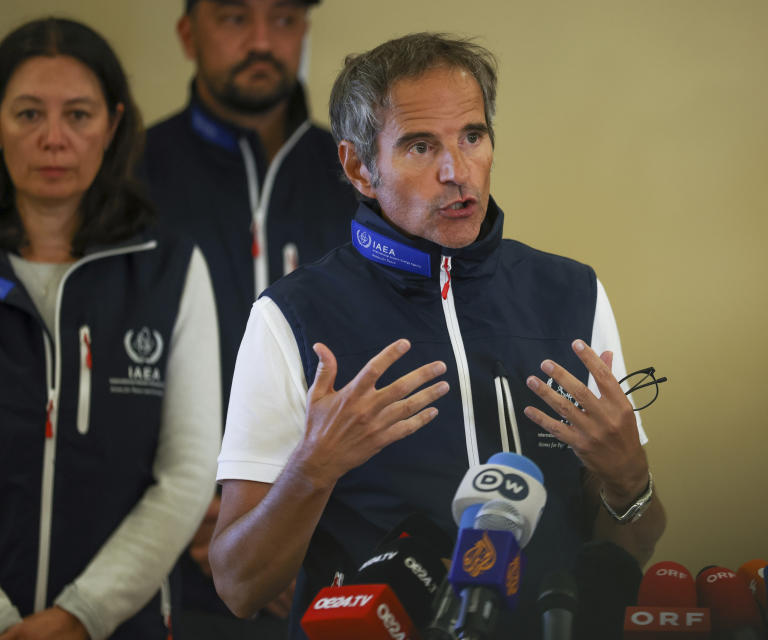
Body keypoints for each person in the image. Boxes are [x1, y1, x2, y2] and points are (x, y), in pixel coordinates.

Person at [210, 32, 667, 638]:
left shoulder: (573, 294)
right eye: (421, 146)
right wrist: (312, 470)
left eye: (472, 137)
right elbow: (240, 587)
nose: (457, 172)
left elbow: (630, 549)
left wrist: (629, 479)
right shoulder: (290, 316)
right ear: (358, 168)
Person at [139, 0, 356, 635]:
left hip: (341, 558)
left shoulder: (360, 175)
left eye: (284, 19)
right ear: (188, 32)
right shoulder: (131, 176)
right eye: (235, 17)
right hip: (174, 560)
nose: (263, 40)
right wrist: (192, 514)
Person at [0, 17, 220, 640]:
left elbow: (187, 472)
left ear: (113, 125)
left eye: (77, 114)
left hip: (123, 626)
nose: (53, 139)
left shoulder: (169, 269)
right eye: (26, 114)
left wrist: (80, 617)